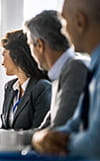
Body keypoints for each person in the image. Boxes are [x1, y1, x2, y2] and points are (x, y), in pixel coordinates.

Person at [32, 0, 100, 159]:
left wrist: (55, 142)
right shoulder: (93, 68)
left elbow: (96, 144)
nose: (62, 31)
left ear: (79, 22)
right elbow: (74, 124)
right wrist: (43, 138)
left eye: (63, 21)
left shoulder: (79, 68)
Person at [17, 10, 89, 144]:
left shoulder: (75, 68)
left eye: (30, 45)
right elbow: (43, 130)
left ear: (39, 45)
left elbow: (56, 133)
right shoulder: (61, 73)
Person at [0, 30, 51, 130]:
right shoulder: (9, 87)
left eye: (4, 54)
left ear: (17, 55)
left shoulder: (43, 88)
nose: (2, 63)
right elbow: (5, 128)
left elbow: (38, 132)